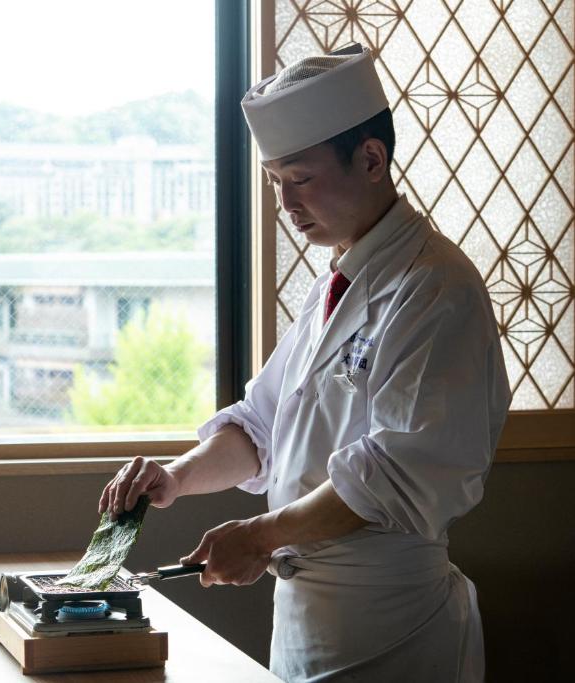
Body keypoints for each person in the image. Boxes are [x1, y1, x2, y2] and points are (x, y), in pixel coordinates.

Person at [99, 44, 511, 682]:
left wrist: (260, 536)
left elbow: (391, 475)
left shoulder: (435, 287)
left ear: (371, 159)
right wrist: (175, 479)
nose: (286, 204)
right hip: (305, 619)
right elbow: (261, 426)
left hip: (392, 625)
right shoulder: (335, 285)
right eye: (274, 182)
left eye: (301, 178)